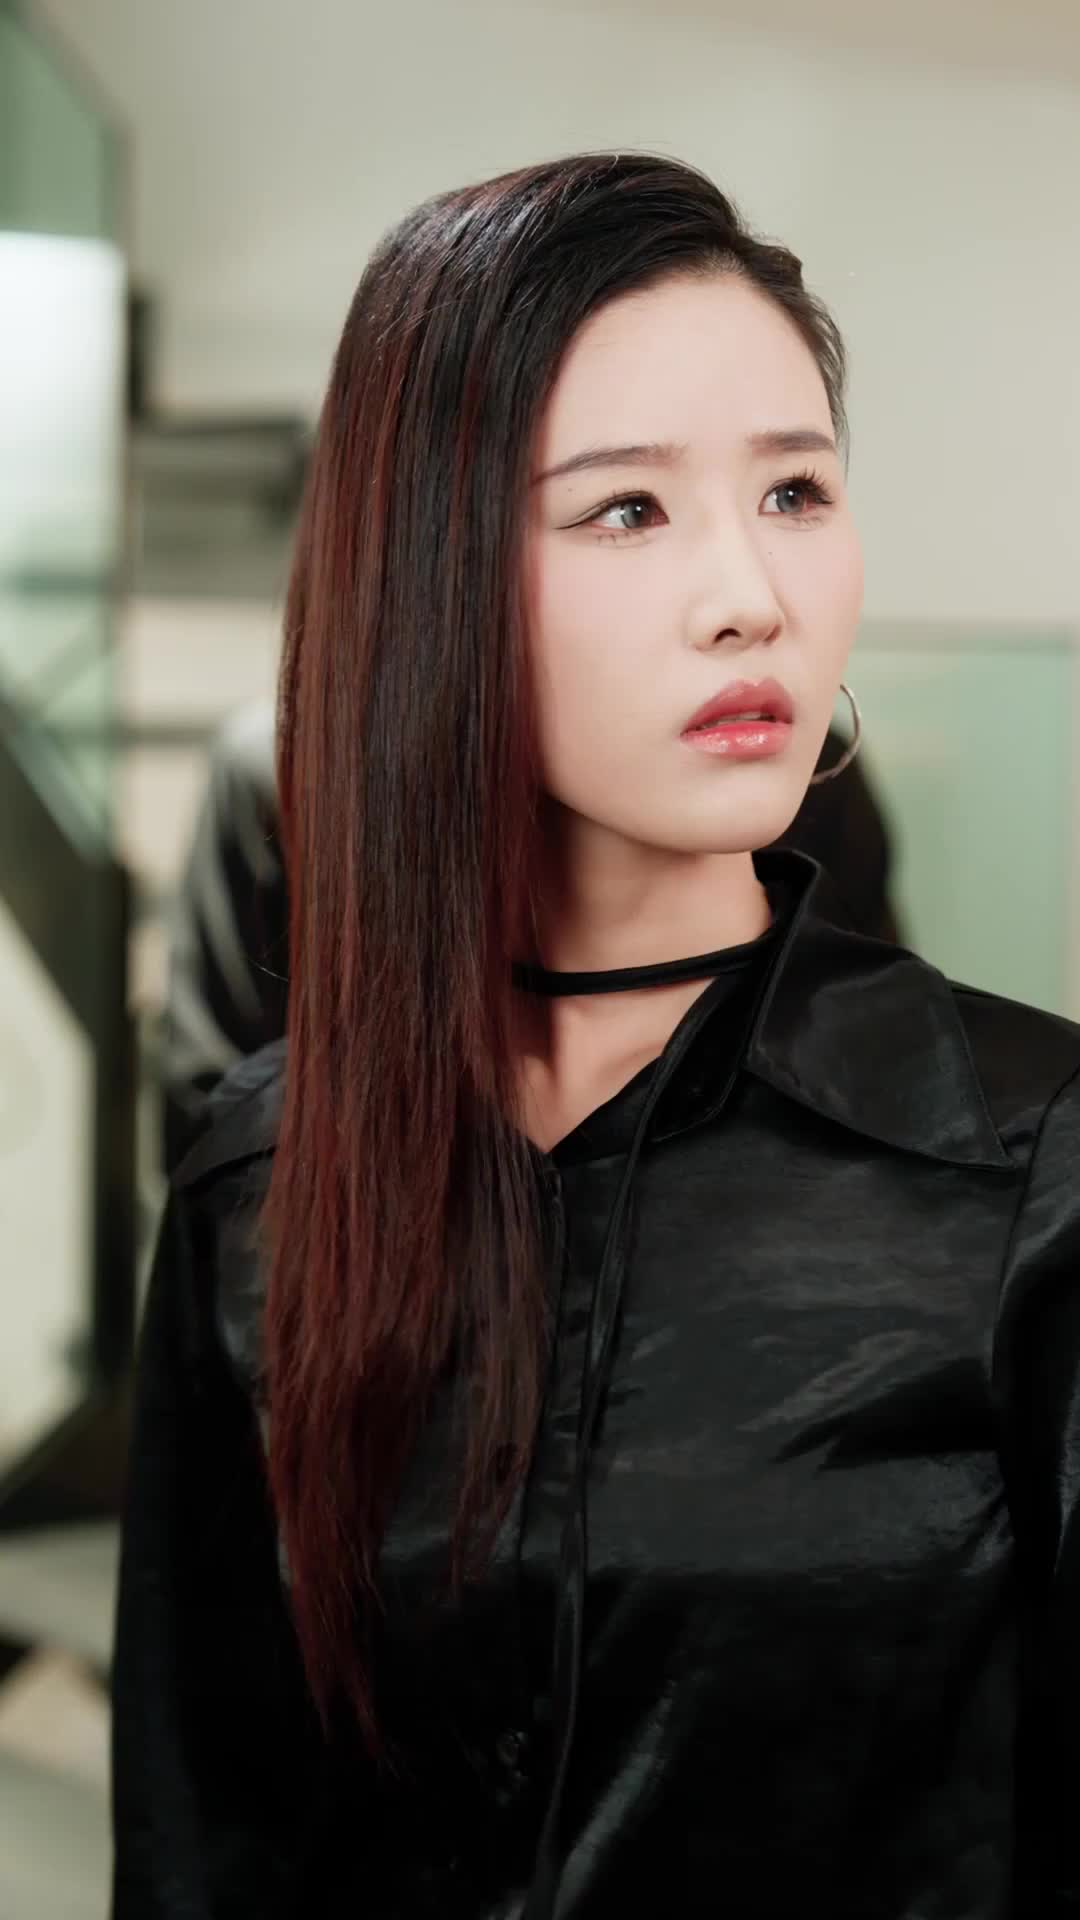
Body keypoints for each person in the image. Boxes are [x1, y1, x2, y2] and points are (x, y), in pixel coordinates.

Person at [110, 152, 1080, 1920]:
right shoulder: (262, 1186)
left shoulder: (1030, 1168)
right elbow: (207, 1842)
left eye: (796, 491)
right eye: (628, 510)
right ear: (432, 581)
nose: (751, 593)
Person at [156, 697, 901, 1173]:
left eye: (794, 503)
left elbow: (867, 1046)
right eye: (627, 515)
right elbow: (211, 1095)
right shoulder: (282, 767)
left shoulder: (791, 769)